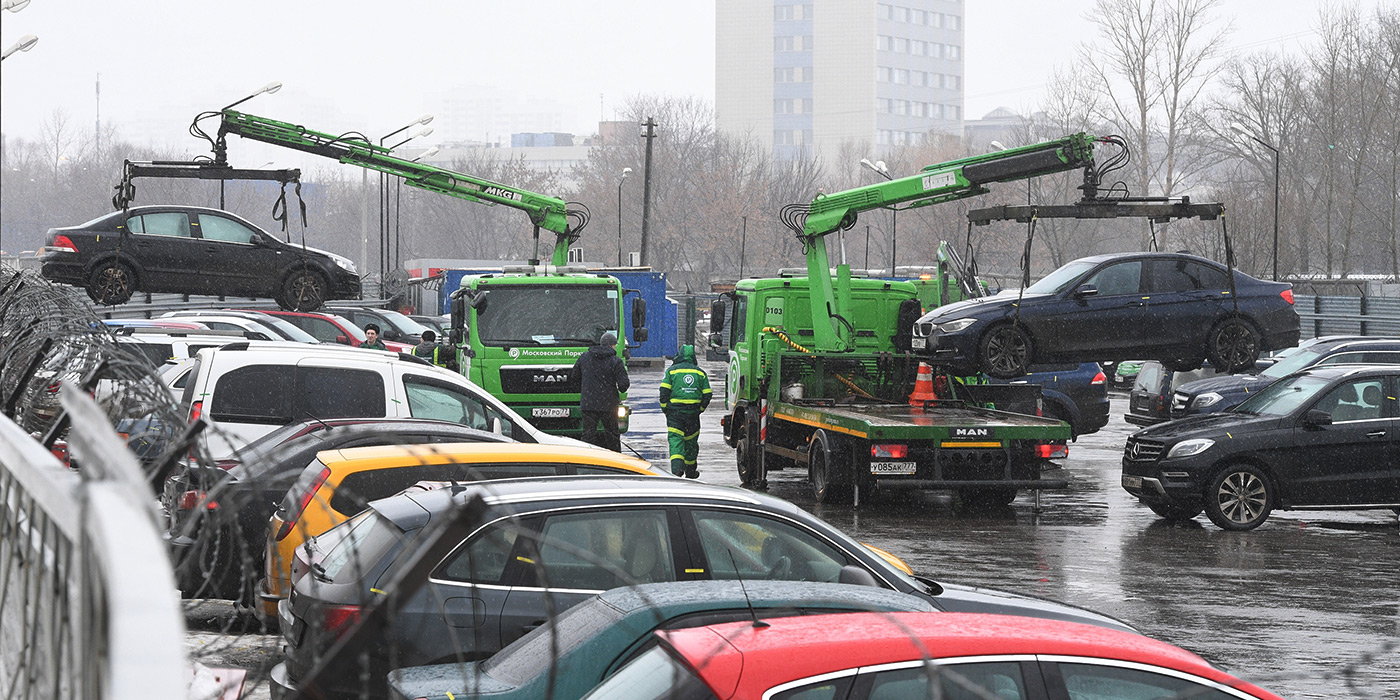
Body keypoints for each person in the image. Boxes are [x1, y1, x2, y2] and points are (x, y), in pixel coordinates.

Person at [572, 330, 629, 451]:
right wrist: (618, 389)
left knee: (588, 435)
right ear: (612, 345)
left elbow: (574, 377)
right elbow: (624, 384)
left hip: (589, 403)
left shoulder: (584, 357)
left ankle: (586, 460)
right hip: (609, 404)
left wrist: (585, 390)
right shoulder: (615, 361)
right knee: (612, 434)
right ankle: (615, 461)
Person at [660, 344, 711, 478]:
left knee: (676, 441)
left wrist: (665, 408)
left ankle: (677, 470)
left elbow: (664, 391)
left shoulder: (672, 371)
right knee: (691, 443)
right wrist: (700, 409)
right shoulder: (700, 373)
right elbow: (707, 394)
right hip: (693, 414)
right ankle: (690, 471)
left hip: (675, 414)